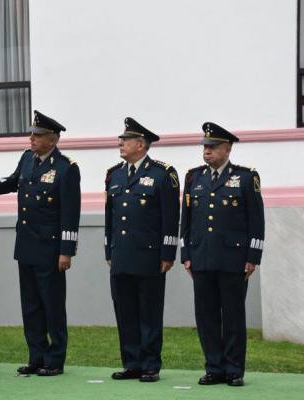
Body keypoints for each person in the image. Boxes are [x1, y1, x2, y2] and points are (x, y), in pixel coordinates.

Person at [0, 110, 81, 377]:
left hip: (50, 249)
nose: (31, 139)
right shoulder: (27, 159)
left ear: (53, 139)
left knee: (52, 305)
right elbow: (14, 182)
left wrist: (66, 251)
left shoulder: (66, 168)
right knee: (31, 305)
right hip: (26, 245)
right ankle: (36, 356)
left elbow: (71, 213)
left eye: (37, 135)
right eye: (32, 134)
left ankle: (55, 359)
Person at [180, 122, 264, 387]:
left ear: (227, 149)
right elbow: (187, 219)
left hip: (233, 260)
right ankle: (214, 367)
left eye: (213, 147)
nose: (207, 151)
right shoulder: (194, 178)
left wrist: (253, 257)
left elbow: (256, 221)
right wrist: (186, 253)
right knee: (206, 316)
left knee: (233, 317)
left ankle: (234, 369)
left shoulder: (246, 178)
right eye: (205, 147)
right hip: (202, 257)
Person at [104, 117, 180, 383]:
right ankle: (131, 363)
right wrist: (109, 251)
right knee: (125, 312)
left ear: (140, 144)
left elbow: (171, 217)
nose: (120, 143)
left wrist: (168, 253)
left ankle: (150, 365)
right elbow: (110, 217)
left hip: (149, 256)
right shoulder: (114, 174)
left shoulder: (163, 174)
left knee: (149, 312)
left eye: (125, 140)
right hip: (122, 255)